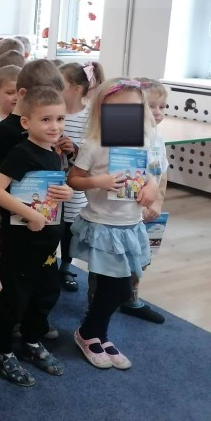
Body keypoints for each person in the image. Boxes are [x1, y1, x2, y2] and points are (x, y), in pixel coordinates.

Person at [67, 78, 161, 370]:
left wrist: (151, 187)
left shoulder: (142, 141)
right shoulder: (94, 144)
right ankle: (88, 333)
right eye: (116, 109)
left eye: (133, 109)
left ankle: (98, 335)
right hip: (103, 227)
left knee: (120, 288)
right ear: (102, 110)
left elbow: (151, 173)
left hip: (130, 225)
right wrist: (99, 181)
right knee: (116, 289)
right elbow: (73, 179)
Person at [0, 86, 74, 386]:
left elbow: (53, 191)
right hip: (20, 245)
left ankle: (32, 340)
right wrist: (31, 214)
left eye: (60, 119)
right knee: (12, 300)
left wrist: (67, 191)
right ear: (26, 122)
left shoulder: (53, 153)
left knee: (45, 295)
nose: (55, 126)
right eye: (46, 119)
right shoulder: (21, 152)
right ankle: (2, 349)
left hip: (47, 246)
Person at [119, 78, 169, 324]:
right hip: (124, 212)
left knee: (142, 257)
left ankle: (131, 298)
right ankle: (97, 305)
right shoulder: (125, 137)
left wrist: (157, 203)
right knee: (115, 259)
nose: (158, 112)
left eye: (162, 106)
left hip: (147, 212)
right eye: (151, 106)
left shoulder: (158, 138)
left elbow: (162, 174)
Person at [57, 62, 104, 291]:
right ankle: (47, 265)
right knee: (49, 223)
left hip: (75, 183)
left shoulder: (89, 118)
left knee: (69, 227)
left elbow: (92, 152)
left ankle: (66, 267)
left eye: (60, 84)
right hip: (49, 180)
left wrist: (74, 149)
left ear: (76, 89)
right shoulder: (52, 111)